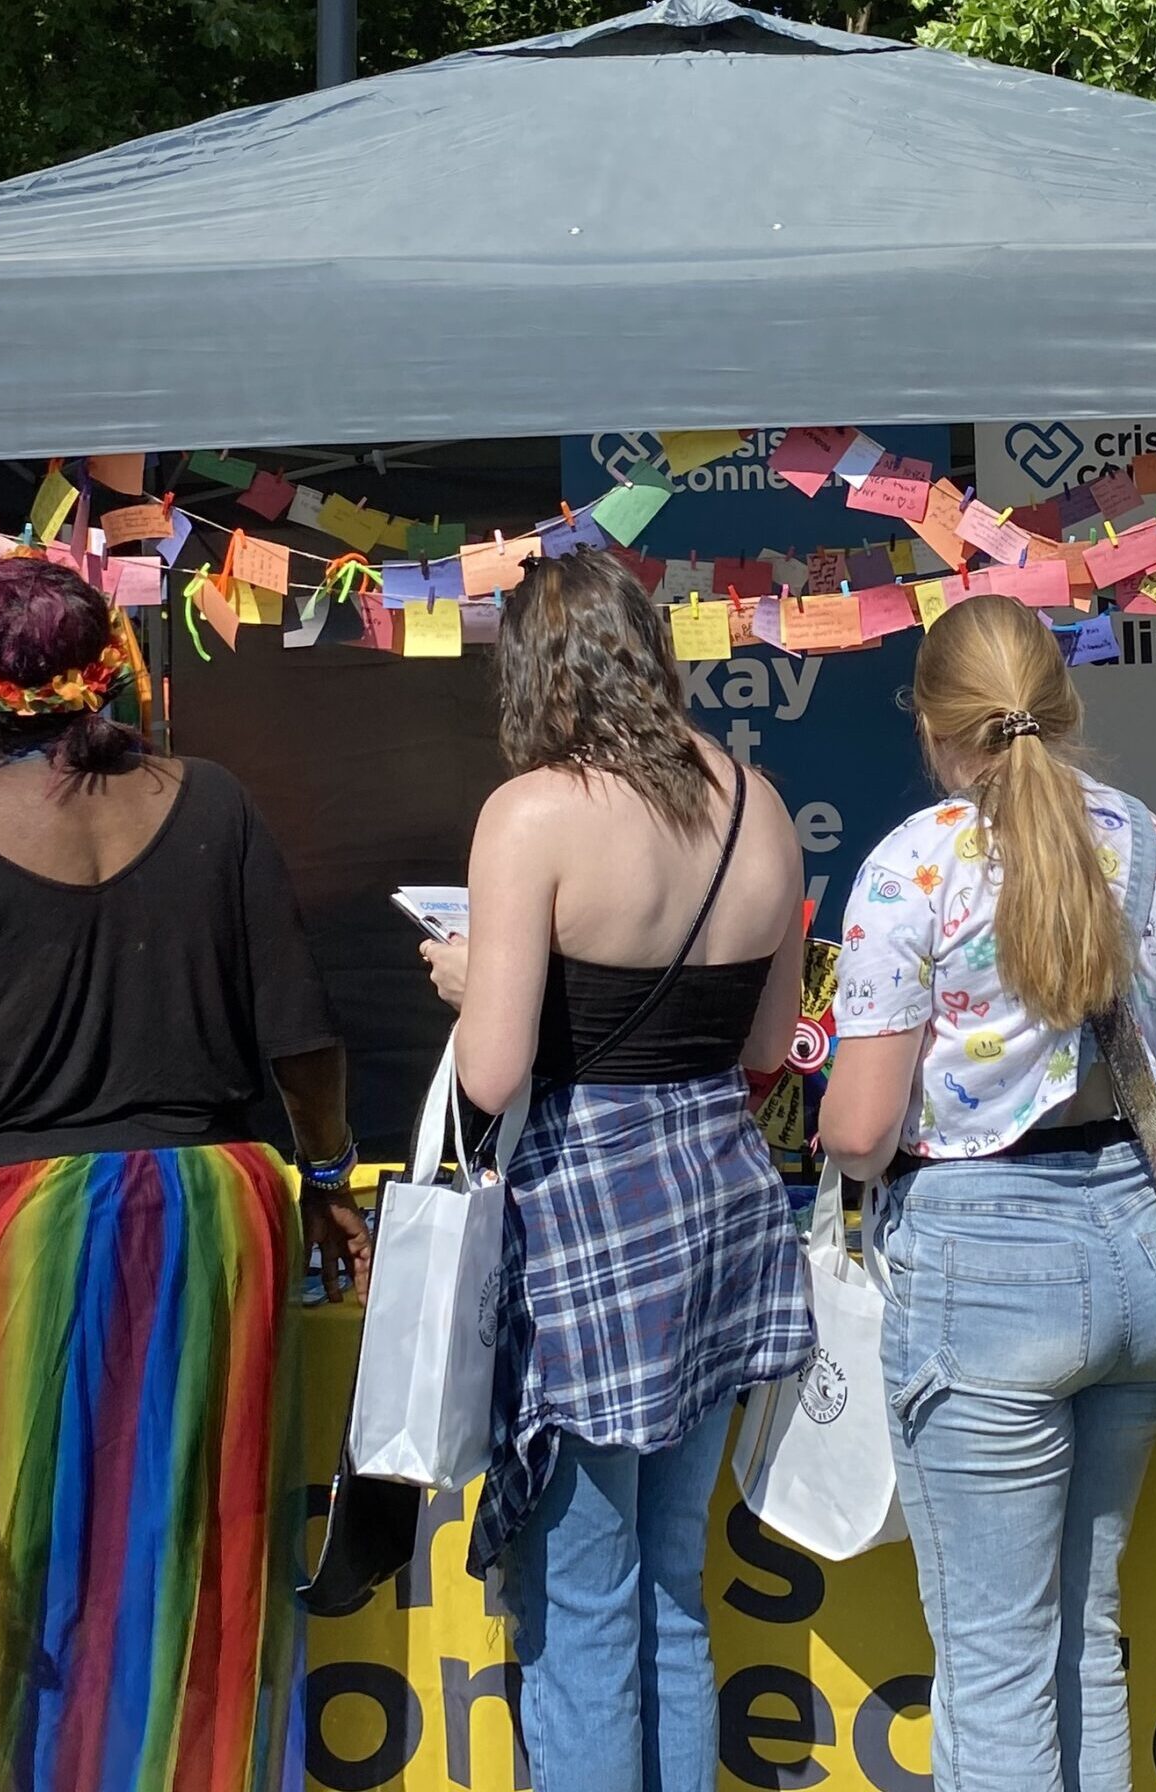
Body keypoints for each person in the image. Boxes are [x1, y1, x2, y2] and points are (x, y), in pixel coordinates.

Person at [0, 552, 370, 1792]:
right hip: (213, 1224)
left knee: (18, 1574)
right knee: (185, 1546)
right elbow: (305, 1036)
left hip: (12, 1240)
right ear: (109, 664)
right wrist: (324, 1175)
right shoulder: (212, 801)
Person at [418, 548, 811, 1792]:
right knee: (673, 1589)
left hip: (590, 1208)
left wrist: (465, 972)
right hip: (722, 1193)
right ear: (654, 649)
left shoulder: (531, 810)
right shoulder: (757, 800)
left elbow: (490, 1075)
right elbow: (767, 1047)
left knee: (582, 1597)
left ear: (533, 672)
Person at [816, 594, 1156, 1792]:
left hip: (983, 1260)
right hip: (1139, 1241)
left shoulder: (915, 864)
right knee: (1082, 1634)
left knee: (991, 1665)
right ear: (1065, 704)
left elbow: (866, 1127)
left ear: (936, 732)